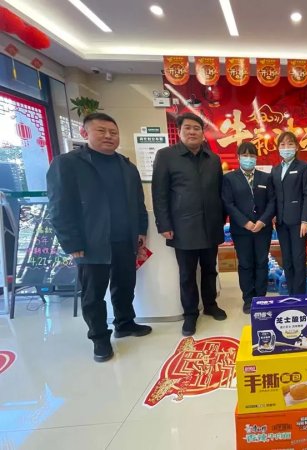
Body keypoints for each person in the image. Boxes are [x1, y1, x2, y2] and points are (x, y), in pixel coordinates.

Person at [47, 112, 151, 363]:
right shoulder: (68, 164)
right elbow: (59, 207)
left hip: (124, 239)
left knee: (125, 285)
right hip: (90, 242)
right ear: (85, 133)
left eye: (113, 132)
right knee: (93, 293)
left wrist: (140, 231)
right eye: (101, 131)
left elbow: (138, 203)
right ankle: (99, 338)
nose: (108, 136)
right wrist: (71, 242)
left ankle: (125, 323)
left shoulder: (127, 167)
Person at [152, 113, 226, 337]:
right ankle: (190, 314)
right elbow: (159, 193)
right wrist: (163, 223)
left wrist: (222, 219)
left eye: (197, 128)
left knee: (210, 269)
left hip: (211, 225)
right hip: (183, 227)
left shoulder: (212, 158)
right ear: (179, 131)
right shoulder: (166, 156)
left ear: (203, 133)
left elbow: (220, 191)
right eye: (188, 128)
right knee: (187, 273)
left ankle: (210, 305)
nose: (192, 132)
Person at [222, 142, 275, 314]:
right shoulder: (230, 178)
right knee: (245, 264)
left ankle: (261, 297)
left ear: (256, 158)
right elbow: (228, 203)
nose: (249, 159)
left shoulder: (266, 178)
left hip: (263, 229)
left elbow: (272, 202)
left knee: (261, 262)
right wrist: (245, 222)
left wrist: (263, 221)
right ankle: (248, 298)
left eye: (252, 155)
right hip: (241, 230)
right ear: (238, 157)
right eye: (245, 155)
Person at [271, 132, 307, 294]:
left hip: (298, 222)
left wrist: (305, 220)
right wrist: (273, 215)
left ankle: (299, 294)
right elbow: (273, 196)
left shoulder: (303, 167)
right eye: (282, 144)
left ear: (296, 147)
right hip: (281, 222)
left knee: (298, 259)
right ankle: (291, 292)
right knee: (287, 259)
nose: (286, 147)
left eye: (290, 144)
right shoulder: (275, 169)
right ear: (278, 148)